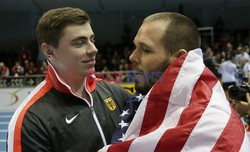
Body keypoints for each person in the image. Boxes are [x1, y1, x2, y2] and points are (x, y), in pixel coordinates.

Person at [99, 12, 249, 152]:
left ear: (179, 59)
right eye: (135, 47)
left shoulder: (207, 121)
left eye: (145, 49)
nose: (132, 57)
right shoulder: (138, 101)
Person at [7, 7, 130, 152]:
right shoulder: (31, 119)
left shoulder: (115, 93)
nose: (94, 49)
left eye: (92, 40)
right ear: (49, 51)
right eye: (80, 43)